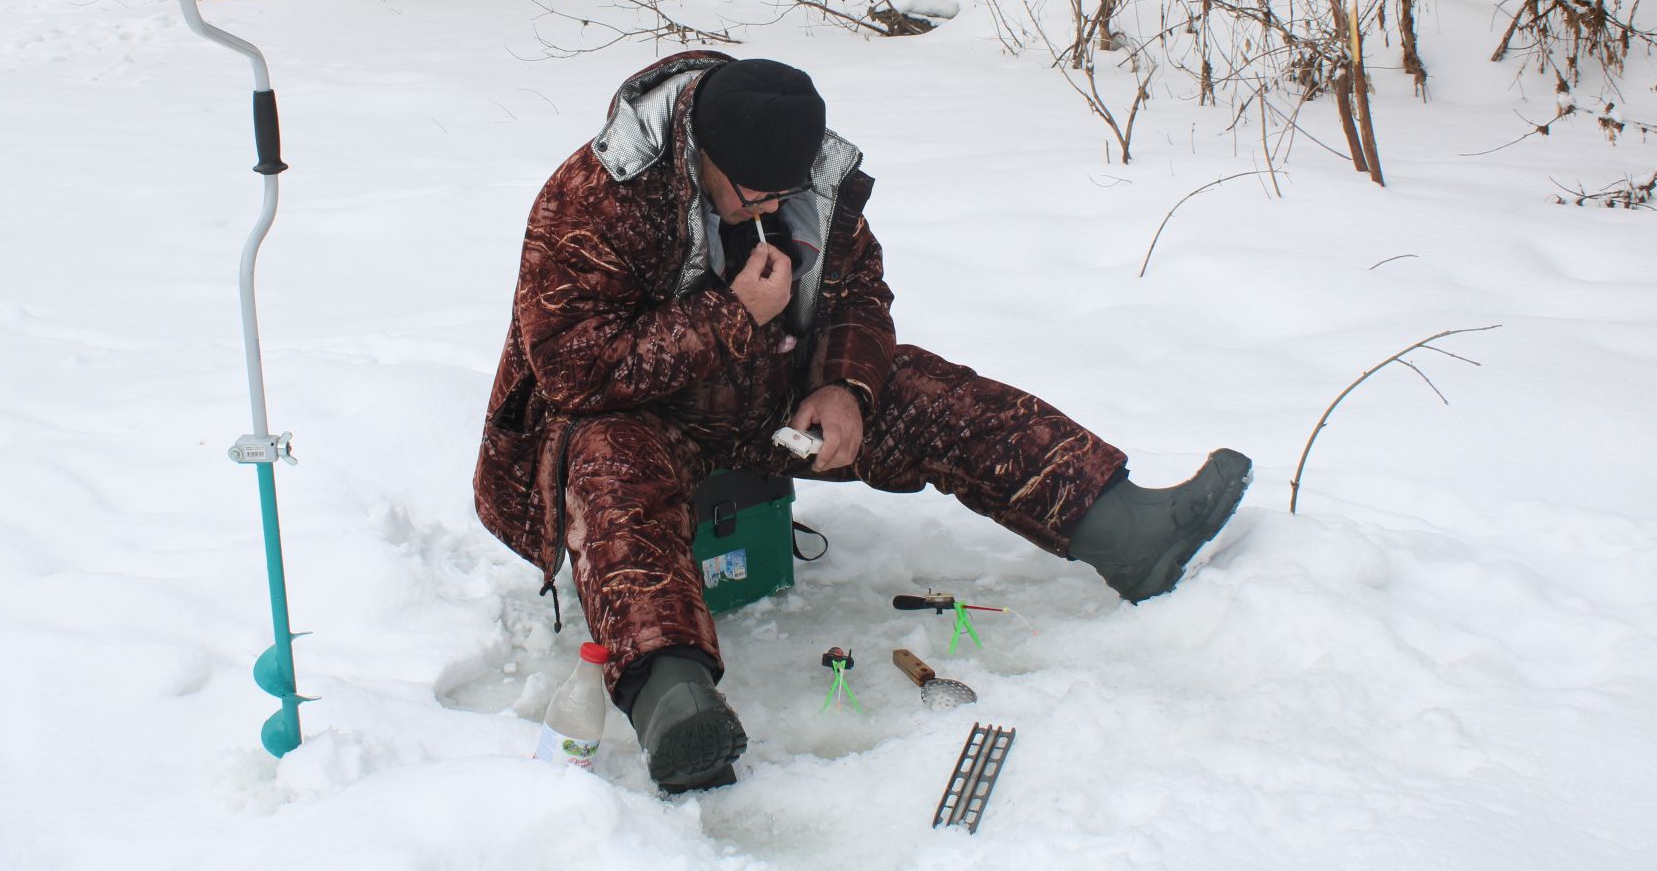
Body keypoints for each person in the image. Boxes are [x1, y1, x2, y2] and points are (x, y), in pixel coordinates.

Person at [474, 53, 1250, 791]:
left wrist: (844, 385)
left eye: (784, 194)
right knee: (612, 469)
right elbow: (571, 370)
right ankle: (673, 704)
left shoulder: (814, 174)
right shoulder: (597, 192)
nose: (774, 210)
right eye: (754, 195)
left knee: (926, 390)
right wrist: (732, 314)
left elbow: (859, 296)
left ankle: (1124, 530)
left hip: (769, 397)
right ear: (700, 152)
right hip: (627, 416)